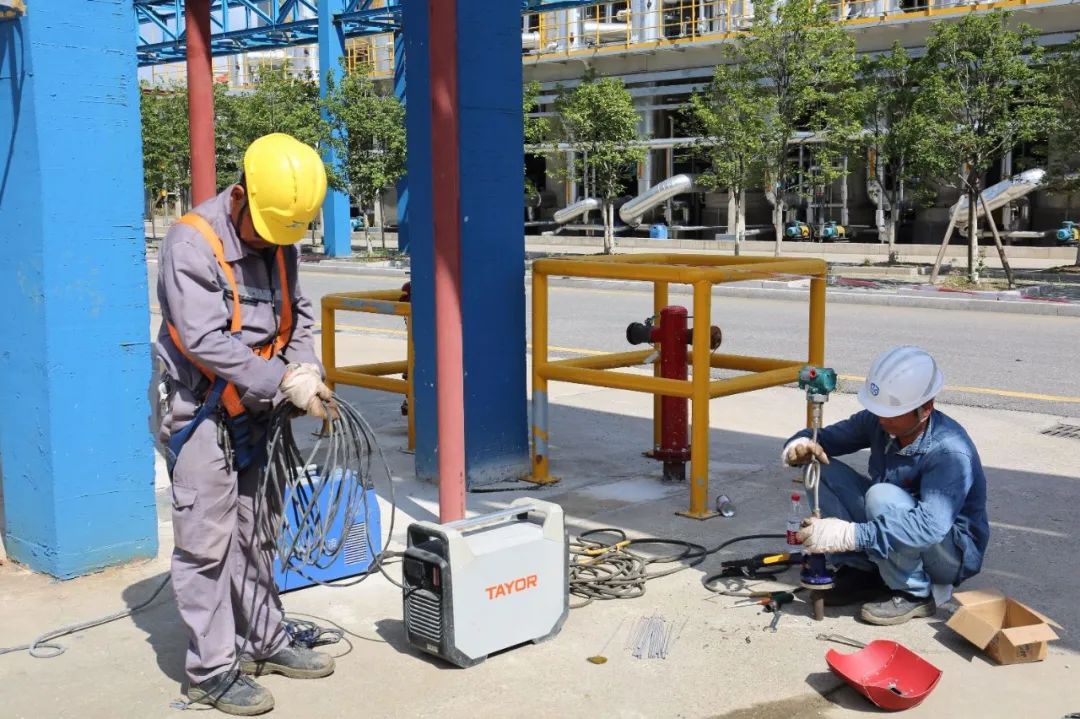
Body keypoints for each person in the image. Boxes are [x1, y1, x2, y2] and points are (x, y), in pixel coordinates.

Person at [156, 133, 336, 715]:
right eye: (263, 231)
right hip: (202, 408)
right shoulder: (192, 243)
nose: (272, 244)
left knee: (258, 530)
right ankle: (211, 672)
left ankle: (264, 640)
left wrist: (306, 369)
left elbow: (298, 315)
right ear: (240, 197)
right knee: (207, 543)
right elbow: (203, 339)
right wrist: (281, 382)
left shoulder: (281, 241)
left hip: (259, 407)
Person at [783, 346, 989, 626]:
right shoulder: (881, 421)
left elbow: (928, 528)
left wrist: (851, 535)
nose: (881, 419)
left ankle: (913, 592)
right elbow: (824, 439)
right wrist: (798, 445)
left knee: (881, 497)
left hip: (948, 554)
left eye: (891, 413)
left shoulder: (949, 451)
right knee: (819, 468)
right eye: (878, 410)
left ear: (925, 408)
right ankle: (862, 572)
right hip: (899, 531)